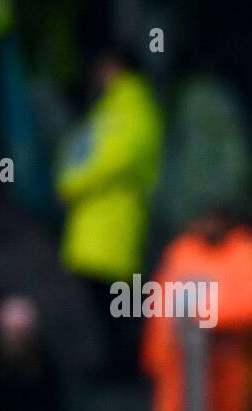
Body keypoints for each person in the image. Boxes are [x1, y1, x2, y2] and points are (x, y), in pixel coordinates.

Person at [55, 50, 163, 379]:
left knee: (116, 298)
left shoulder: (132, 107)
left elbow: (114, 158)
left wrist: (73, 182)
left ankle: (123, 366)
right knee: (104, 296)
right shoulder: (113, 107)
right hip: (96, 220)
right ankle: (116, 363)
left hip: (112, 219)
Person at [140, 207, 252, 411]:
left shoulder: (243, 255)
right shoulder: (182, 252)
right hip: (178, 381)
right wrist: (154, 359)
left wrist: (201, 316)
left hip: (224, 382)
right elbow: (161, 309)